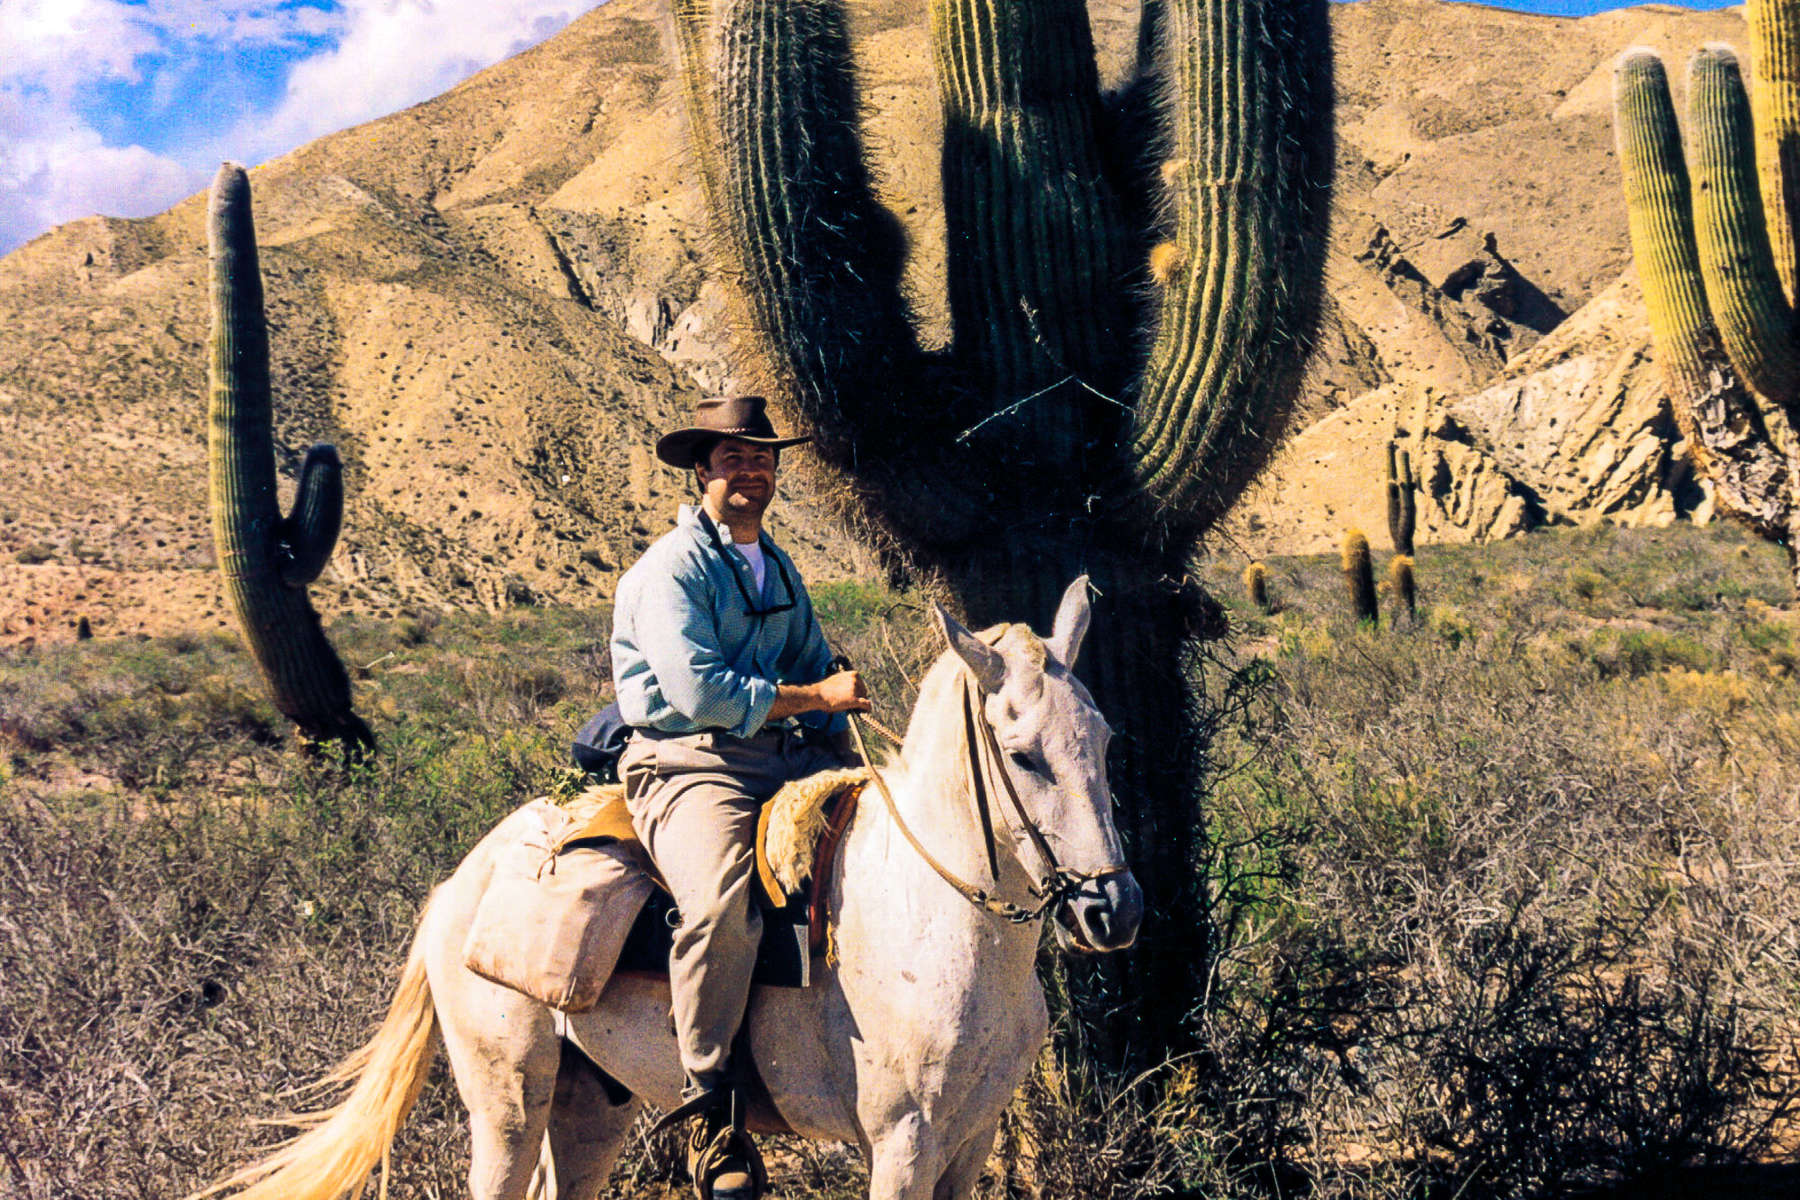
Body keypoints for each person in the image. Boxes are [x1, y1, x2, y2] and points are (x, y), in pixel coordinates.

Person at [610, 395, 870, 1200]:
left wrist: (842, 734)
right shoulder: (669, 571)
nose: (750, 471)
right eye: (732, 458)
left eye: (761, 457)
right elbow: (701, 692)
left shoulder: (777, 566)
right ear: (702, 471)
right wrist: (818, 700)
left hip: (779, 753)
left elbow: (813, 656)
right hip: (690, 763)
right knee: (722, 904)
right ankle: (711, 1112)